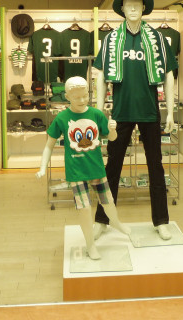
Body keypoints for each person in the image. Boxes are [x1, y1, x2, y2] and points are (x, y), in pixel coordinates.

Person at [93, 0, 178, 241]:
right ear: (122, 8)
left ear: (143, 8)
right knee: (112, 168)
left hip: (150, 112)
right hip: (120, 113)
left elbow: (169, 74)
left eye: (137, 4)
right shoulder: (111, 39)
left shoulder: (158, 38)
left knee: (156, 167)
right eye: (128, 3)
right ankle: (102, 219)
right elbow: (101, 75)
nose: (132, 7)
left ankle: (161, 221)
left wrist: (170, 112)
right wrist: (99, 111)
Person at [37, 76, 130, 260]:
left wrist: (112, 129)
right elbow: (49, 145)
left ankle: (116, 222)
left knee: (108, 202)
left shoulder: (96, 114)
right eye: (77, 97)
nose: (82, 100)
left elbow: (112, 139)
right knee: (84, 209)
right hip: (76, 172)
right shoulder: (62, 118)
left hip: (96, 169)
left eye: (85, 96)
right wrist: (42, 167)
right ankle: (90, 244)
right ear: (67, 97)